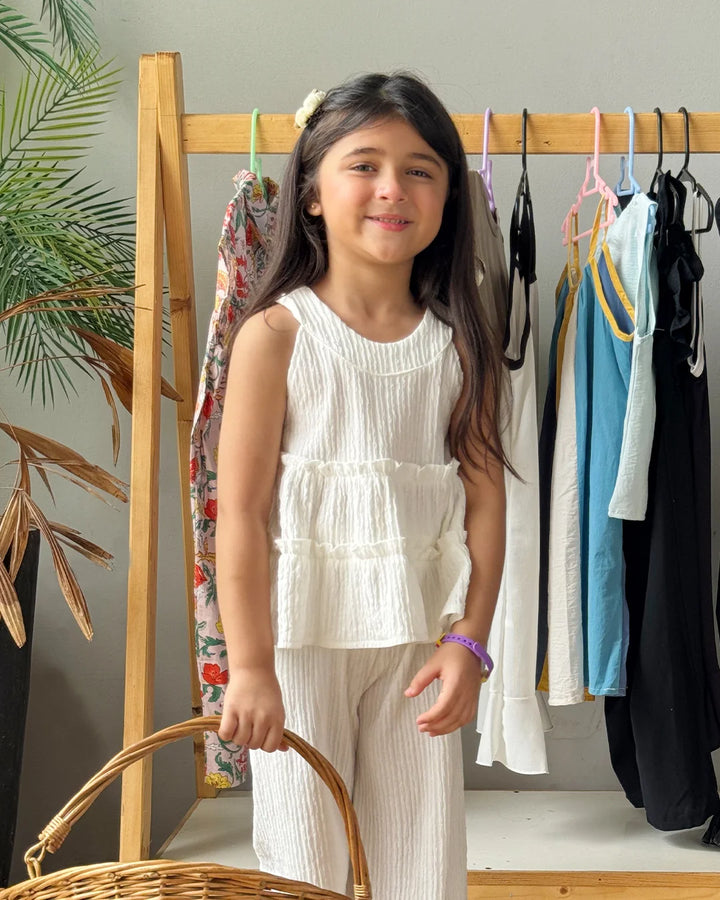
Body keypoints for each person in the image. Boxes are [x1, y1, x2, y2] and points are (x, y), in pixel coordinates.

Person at [215, 71, 507, 900]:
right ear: (310, 193)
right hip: (299, 646)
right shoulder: (275, 335)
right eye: (364, 164)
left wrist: (471, 643)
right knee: (302, 868)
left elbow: (487, 502)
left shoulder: (463, 346)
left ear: (448, 197)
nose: (392, 189)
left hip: (418, 644)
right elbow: (239, 512)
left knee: (423, 865)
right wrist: (251, 667)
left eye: (420, 169)